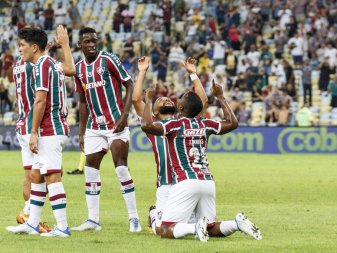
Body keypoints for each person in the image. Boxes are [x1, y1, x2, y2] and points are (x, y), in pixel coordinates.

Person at [140, 81, 262, 242]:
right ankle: (236, 224)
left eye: (182, 98)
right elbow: (233, 123)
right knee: (211, 228)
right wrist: (220, 97)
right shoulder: (206, 124)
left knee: (165, 229)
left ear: (181, 108)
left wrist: (148, 100)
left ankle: (195, 227)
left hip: (186, 181)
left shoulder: (174, 124)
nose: (179, 99)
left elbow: (146, 125)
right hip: (207, 182)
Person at [6, 26, 75, 237]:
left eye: (23, 46)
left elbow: (41, 99)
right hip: (51, 126)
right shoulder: (49, 63)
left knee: (52, 176)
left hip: (49, 128)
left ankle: (62, 227)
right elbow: (70, 69)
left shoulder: (42, 65)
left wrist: (34, 131)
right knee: (36, 176)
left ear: (34, 47)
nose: (20, 50)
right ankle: (32, 223)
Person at [71, 27, 141, 232]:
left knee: (120, 168)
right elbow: (82, 103)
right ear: (80, 45)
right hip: (94, 127)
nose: (92, 45)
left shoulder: (108, 60)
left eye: (94, 41)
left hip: (115, 124)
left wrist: (125, 115)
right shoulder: (78, 69)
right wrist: (82, 131)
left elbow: (129, 85)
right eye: (87, 42)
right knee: (90, 172)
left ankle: (134, 218)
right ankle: (93, 220)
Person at [132, 56, 208, 235]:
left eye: (168, 100)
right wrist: (142, 72)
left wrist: (193, 75)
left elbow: (202, 103)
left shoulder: (184, 122)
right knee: (162, 229)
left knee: (195, 225)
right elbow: (136, 100)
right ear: (154, 111)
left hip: (187, 181)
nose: (165, 100)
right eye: (160, 101)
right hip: (166, 184)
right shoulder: (152, 126)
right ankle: (153, 214)